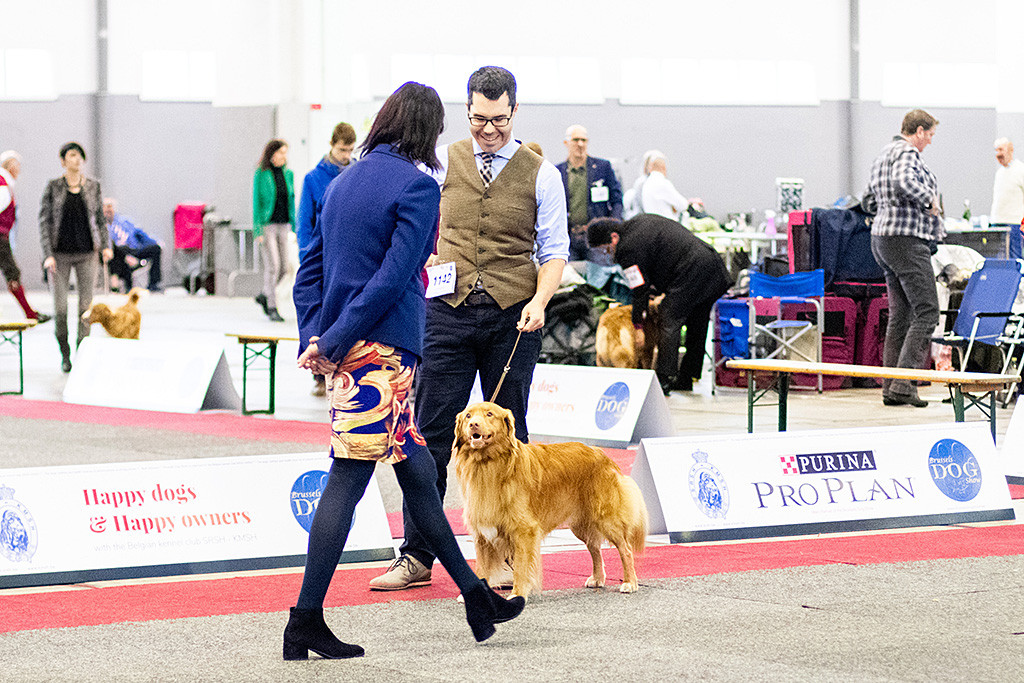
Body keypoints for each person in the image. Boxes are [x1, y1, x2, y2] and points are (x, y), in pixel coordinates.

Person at [288, 81, 524, 659]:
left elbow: (309, 270)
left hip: (349, 350)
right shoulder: (419, 187)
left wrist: (315, 337)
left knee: (419, 473)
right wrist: (336, 339)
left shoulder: (342, 183)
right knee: (348, 478)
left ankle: (475, 596)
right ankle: (304, 620)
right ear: (424, 130)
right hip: (381, 355)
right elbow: (395, 277)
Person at [369, 66, 569, 591]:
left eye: (499, 120)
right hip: (445, 313)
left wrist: (541, 301)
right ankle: (415, 555)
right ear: (467, 111)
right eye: (479, 119)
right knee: (430, 434)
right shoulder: (439, 167)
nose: (488, 130)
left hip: (514, 314)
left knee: (512, 437)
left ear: (515, 111)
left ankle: (505, 554)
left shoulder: (542, 173)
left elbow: (554, 251)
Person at [588, 215, 731, 395]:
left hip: (693, 269)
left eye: (605, 250)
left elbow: (639, 288)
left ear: (614, 238)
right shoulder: (638, 224)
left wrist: (637, 325)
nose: (607, 254)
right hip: (712, 266)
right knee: (697, 321)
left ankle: (663, 380)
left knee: (668, 318)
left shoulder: (626, 248)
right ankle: (687, 376)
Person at [868, 109, 943, 408]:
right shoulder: (908, 153)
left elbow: (867, 198)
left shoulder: (882, 154)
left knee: (900, 315)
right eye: (930, 136)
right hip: (907, 241)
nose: (929, 143)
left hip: (882, 239)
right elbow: (904, 182)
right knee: (927, 312)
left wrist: (888, 212)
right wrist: (930, 200)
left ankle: (891, 387)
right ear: (920, 131)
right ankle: (903, 383)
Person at [38, 142, 112, 373]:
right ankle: (65, 353)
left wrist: (106, 246)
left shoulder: (93, 186)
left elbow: (100, 219)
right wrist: (47, 254)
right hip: (59, 255)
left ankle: (82, 352)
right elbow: (44, 222)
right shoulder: (53, 187)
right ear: (63, 161)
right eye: (71, 155)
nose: (77, 159)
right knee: (60, 309)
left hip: (87, 253)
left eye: (80, 155)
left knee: (85, 308)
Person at [297, 122, 357, 397]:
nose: (346, 155)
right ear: (332, 145)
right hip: (319, 255)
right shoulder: (313, 178)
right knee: (319, 315)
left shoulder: (357, 173)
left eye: (350, 150)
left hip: (346, 256)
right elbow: (304, 222)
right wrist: (306, 257)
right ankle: (318, 375)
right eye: (342, 149)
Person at [556, 124, 622, 260]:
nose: (580, 144)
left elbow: (617, 200)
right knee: (570, 278)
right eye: (575, 140)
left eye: (584, 140)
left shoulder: (603, 168)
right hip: (568, 239)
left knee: (599, 277)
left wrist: (613, 225)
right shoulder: (557, 172)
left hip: (597, 238)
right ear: (566, 143)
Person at [0, 150, 50, 324]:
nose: (19, 169)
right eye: (17, 165)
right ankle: (29, 312)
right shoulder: (3, 183)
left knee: (12, 272)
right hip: (0, 236)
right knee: (12, 272)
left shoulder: (6, 184)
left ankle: (29, 311)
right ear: (10, 165)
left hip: (3, 235)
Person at [252, 139, 294, 322]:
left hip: (284, 224)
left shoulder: (288, 173)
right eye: (281, 152)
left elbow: (291, 200)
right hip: (267, 225)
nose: (284, 156)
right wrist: (257, 231)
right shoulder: (261, 174)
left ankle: (264, 294)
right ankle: (271, 306)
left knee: (285, 267)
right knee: (273, 266)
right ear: (272, 154)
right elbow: (256, 203)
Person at [102, 198, 162, 293]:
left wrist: (155, 242)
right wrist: (126, 256)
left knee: (156, 248)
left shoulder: (125, 221)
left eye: (111, 207)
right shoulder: (102, 226)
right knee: (117, 250)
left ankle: (153, 284)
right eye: (106, 207)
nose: (109, 210)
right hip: (116, 254)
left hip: (133, 249)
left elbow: (140, 234)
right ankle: (126, 286)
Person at [990, 137, 1024, 260]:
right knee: (999, 262)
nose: (998, 154)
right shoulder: (999, 173)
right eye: (996, 150)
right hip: (997, 223)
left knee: (1015, 261)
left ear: (1011, 150)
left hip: (1014, 224)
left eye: (1001, 149)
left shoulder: (1021, 170)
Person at [639, 150, 690, 221]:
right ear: (663, 168)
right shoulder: (663, 183)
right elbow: (683, 205)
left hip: (652, 224)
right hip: (667, 225)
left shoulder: (646, 184)